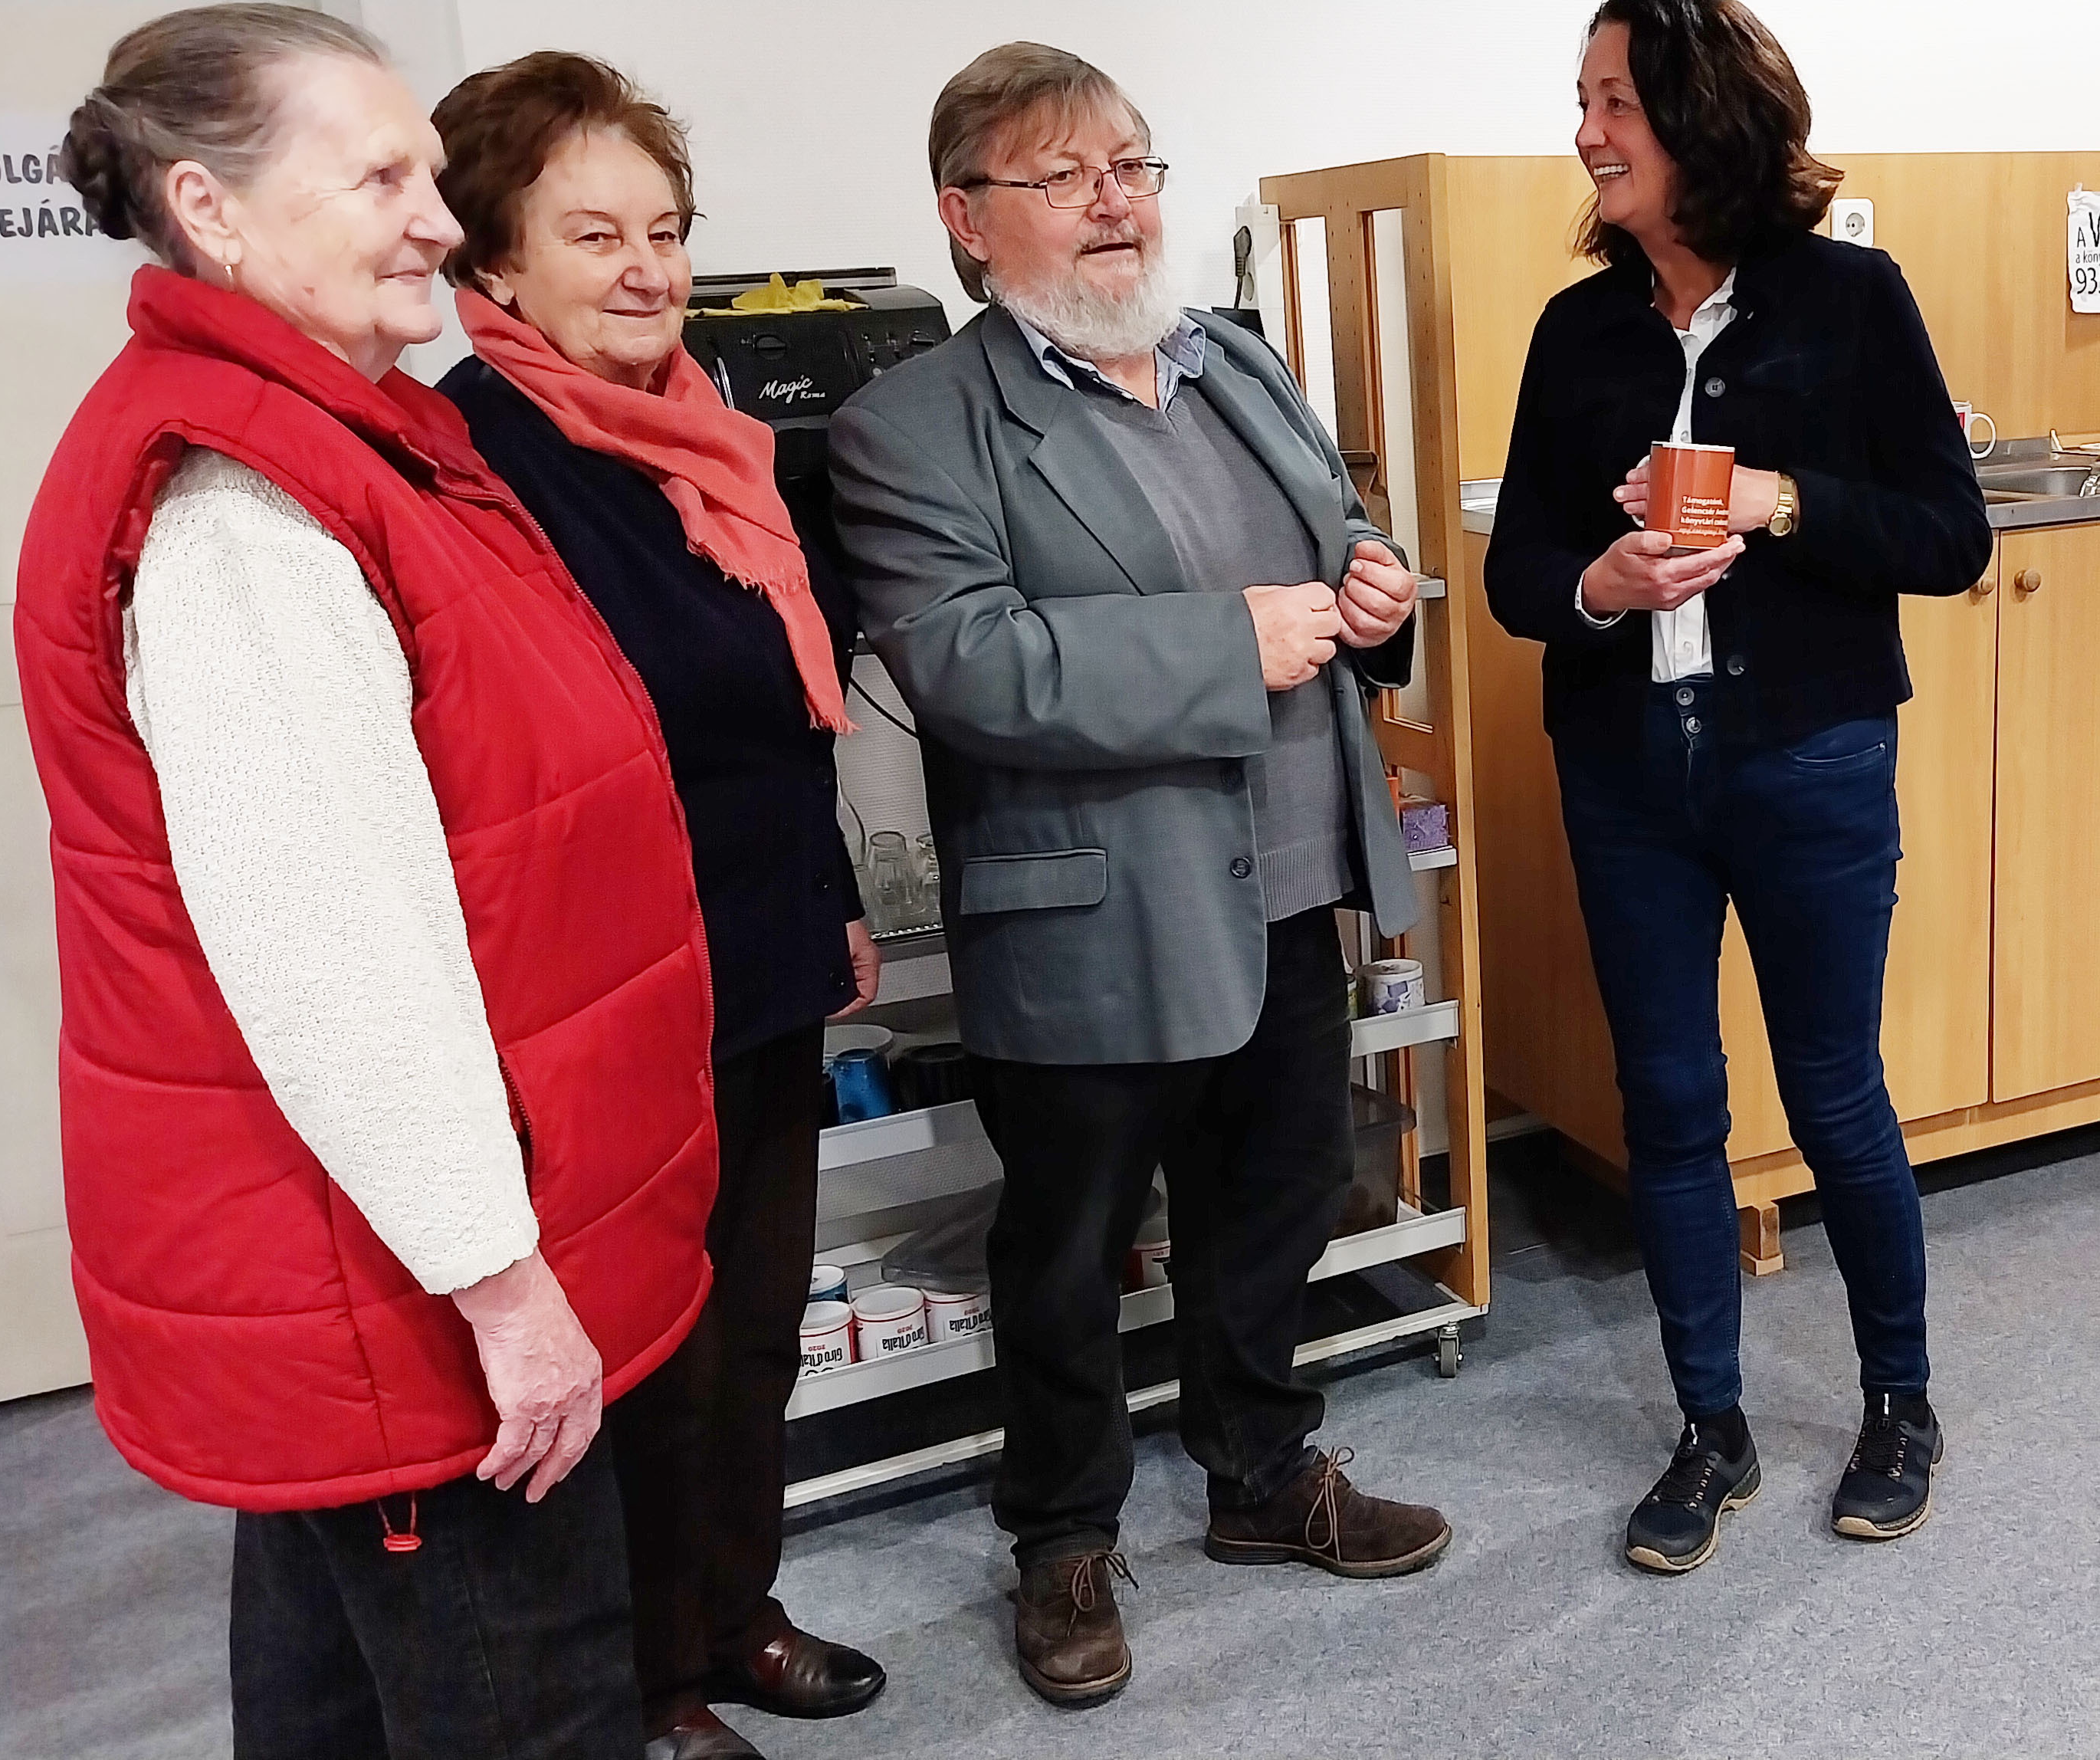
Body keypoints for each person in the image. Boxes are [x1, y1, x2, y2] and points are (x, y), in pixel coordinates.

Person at [18, 10, 722, 1755]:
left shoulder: (343, 430)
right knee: (522, 1701)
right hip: (393, 1283)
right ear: (212, 208)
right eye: (384, 177)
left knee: (334, 1693)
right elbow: (332, 955)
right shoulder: (241, 501)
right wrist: (502, 1287)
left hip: (370, 1258)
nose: (436, 219)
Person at [829, 41, 1452, 1709]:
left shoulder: (1232, 357)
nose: (1114, 203)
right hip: (1091, 915)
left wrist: (1367, 586)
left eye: (1130, 165)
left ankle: (1261, 1472)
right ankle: (1061, 1535)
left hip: (1289, 877)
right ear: (967, 218)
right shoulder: (914, 425)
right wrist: (1227, 642)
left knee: (1273, 1201)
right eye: (1062, 177)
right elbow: (970, 665)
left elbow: (1327, 537)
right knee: (1070, 1247)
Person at [1485, 0, 1990, 1575]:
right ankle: (1712, 1425)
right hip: (1626, 768)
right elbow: (1514, 572)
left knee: (1834, 1091)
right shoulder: (1576, 330)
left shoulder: (1850, 299)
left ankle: (1899, 1403)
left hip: (1809, 754)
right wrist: (1602, 583)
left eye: (1615, 100)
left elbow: (1948, 537)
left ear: (1700, 115)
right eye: (1582, 99)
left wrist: (1778, 501)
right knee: (1669, 1100)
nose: (1586, 131)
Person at [430, 54, 885, 1760]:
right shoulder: (475, 458)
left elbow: (782, 709)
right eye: (595, 234)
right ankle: (639, 1684)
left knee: (756, 1327)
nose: (646, 269)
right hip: (609, 991)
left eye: (666, 231)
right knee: (645, 1355)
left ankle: (730, 1611)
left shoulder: (712, 441)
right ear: (495, 259)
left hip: (758, 953)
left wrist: (836, 899)